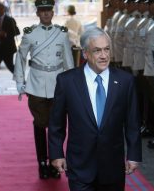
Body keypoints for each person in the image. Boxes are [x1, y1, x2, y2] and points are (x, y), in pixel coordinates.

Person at [48, 27, 142, 191]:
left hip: (112, 167)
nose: (104, 55)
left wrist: (134, 155)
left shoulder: (125, 81)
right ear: (85, 53)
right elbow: (57, 123)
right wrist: (56, 153)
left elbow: (132, 123)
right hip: (79, 165)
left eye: (106, 49)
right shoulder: (67, 81)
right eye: (97, 51)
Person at [13, 0, 74, 179]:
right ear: (38, 12)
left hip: (58, 86)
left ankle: (56, 162)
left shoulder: (62, 34)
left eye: (49, 10)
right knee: (40, 125)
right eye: (42, 10)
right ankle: (42, 162)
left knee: (58, 126)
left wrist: (72, 86)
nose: (46, 13)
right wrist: (19, 81)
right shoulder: (30, 34)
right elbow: (21, 57)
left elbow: (68, 62)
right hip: (36, 86)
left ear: (52, 12)